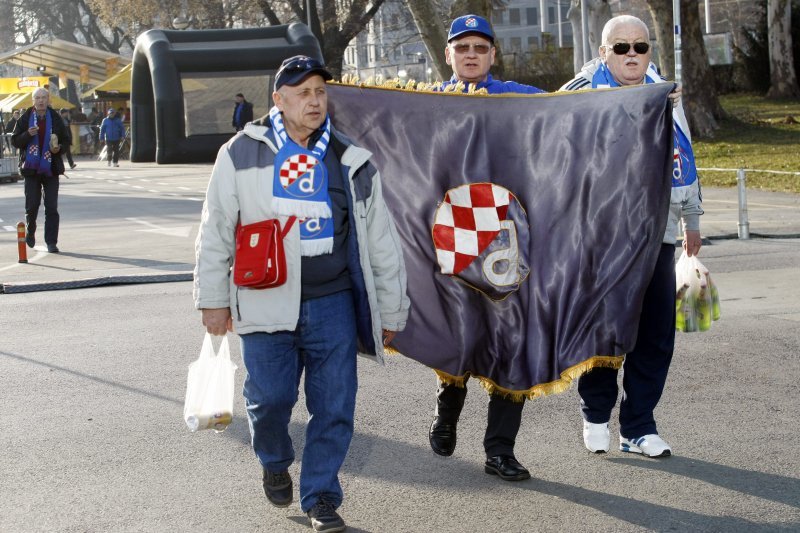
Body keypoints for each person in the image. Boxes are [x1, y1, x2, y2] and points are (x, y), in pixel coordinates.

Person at [194, 55, 409, 533]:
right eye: (303, 92)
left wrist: (392, 307)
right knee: (269, 400)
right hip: (264, 299)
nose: (314, 101)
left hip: (333, 302)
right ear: (279, 100)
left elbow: (380, 240)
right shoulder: (240, 152)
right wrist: (213, 300)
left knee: (334, 406)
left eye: (320, 92)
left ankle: (321, 497)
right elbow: (216, 231)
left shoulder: (349, 158)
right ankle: (274, 459)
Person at [559, 14, 703, 458]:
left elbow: (684, 153)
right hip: (599, 235)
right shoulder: (580, 93)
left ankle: (638, 425)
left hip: (655, 231)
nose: (632, 55)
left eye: (639, 46)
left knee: (656, 333)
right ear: (604, 53)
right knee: (605, 331)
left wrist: (691, 217)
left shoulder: (666, 92)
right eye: (620, 48)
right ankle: (596, 414)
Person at [427, 14, 545, 483]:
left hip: (509, 237)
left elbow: (582, 107)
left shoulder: (518, 97)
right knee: (459, 335)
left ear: (493, 54)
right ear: (449, 54)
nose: (471, 54)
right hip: (450, 238)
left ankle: (500, 450)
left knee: (512, 343)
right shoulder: (424, 104)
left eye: (480, 46)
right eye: (462, 47)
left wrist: (649, 100)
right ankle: (447, 409)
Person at [11, 88, 68, 253]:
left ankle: (51, 242)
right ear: (33, 100)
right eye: (38, 98)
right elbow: (15, 141)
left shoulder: (55, 118)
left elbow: (66, 140)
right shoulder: (25, 118)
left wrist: (59, 149)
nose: (41, 101)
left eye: (44, 97)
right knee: (32, 205)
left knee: (51, 207)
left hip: (51, 169)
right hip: (31, 169)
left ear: (48, 99)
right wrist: (27, 135)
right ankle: (30, 229)